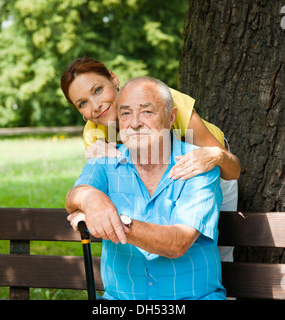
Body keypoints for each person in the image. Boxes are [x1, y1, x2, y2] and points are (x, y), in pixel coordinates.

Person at [61, 57, 238, 261]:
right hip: (158, 186)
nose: (96, 106)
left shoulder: (163, 100)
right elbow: (95, 186)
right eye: (82, 103)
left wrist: (216, 156)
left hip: (209, 172)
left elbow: (231, 172)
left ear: (114, 79)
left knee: (217, 251)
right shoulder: (94, 133)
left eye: (98, 90)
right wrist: (87, 202)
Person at [66, 76, 226, 300]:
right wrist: (91, 199)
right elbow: (74, 195)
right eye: (125, 114)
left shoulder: (198, 164)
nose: (135, 123)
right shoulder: (105, 157)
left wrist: (111, 221)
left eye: (147, 112)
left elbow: (177, 243)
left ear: (171, 118)